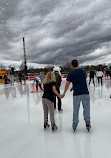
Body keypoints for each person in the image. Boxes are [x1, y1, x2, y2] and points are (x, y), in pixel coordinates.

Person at [61, 59, 91, 131]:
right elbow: (81, 81)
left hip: (77, 94)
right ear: (78, 64)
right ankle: (88, 123)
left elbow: (67, 84)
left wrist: (64, 93)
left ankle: (74, 125)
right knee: (86, 109)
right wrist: (73, 87)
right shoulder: (83, 72)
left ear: (72, 65)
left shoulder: (71, 73)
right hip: (85, 93)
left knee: (76, 110)